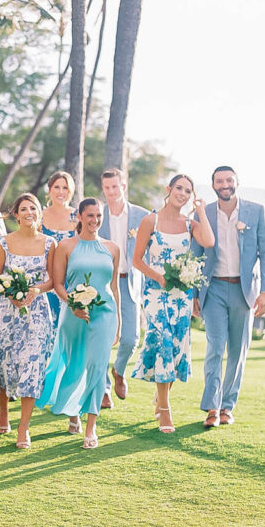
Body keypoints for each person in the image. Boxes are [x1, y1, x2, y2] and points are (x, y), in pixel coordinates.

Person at [131, 174, 215, 433]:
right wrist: (158, 277)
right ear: (169, 189)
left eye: (188, 191)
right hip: (156, 293)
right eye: (179, 188)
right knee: (163, 341)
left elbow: (209, 241)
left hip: (182, 295)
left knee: (177, 346)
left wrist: (200, 210)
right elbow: (137, 260)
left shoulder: (190, 223)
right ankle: (165, 412)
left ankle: (162, 395)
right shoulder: (150, 221)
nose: (183, 193)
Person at [192, 166, 265, 428]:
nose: (224, 184)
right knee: (215, 347)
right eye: (219, 181)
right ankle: (212, 408)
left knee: (238, 351)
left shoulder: (256, 211)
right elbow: (195, 256)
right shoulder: (203, 213)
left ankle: (228, 406)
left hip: (244, 291)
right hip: (213, 289)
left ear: (237, 182)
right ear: (213, 185)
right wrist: (194, 294)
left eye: (229, 180)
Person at [40, 198, 122, 449]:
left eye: (98, 216)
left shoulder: (112, 248)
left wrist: (118, 323)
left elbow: (115, 288)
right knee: (74, 366)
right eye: (90, 215)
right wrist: (74, 305)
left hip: (104, 314)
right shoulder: (65, 246)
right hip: (72, 314)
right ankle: (73, 412)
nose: (95, 220)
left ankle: (91, 428)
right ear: (78, 216)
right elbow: (58, 285)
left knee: (97, 367)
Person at [0, 193, 55, 449]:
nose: (28, 213)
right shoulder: (4, 242)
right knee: (5, 361)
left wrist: (35, 291)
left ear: (39, 212)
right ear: (16, 214)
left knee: (31, 364)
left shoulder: (49, 243)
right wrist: (10, 292)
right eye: (23, 209)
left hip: (37, 313)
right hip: (5, 310)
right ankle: (3, 410)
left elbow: (52, 281)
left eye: (33, 208)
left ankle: (24, 427)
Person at [98, 168, 150, 407]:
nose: (110, 192)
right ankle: (104, 389)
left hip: (130, 281)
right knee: (104, 337)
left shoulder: (142, 216)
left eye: (115, 187)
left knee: (130, 338)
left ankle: (118, 371)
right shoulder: (97, 213)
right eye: (107, 188)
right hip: (103, 282)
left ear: (123, 187)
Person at [40, 171, 78, 322]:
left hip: (70, 278)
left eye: (65, 188)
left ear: (71, 191)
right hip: (45, 277)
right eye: (57, 187)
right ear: (50, 190)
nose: (61, 192)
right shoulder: (40, 216)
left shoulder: (78, 216)